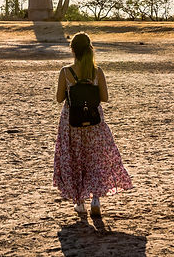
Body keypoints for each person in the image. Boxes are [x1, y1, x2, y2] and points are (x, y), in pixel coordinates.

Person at [54, 32, 132, 216]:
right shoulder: (97, 72)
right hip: (94, 122)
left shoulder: (66, 72)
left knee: (74, 160)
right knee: (95, 160)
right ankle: (95, 199)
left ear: (72, 50)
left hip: (71, 122)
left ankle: (79, 202)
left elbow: (58, 99)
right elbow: (104, 98)